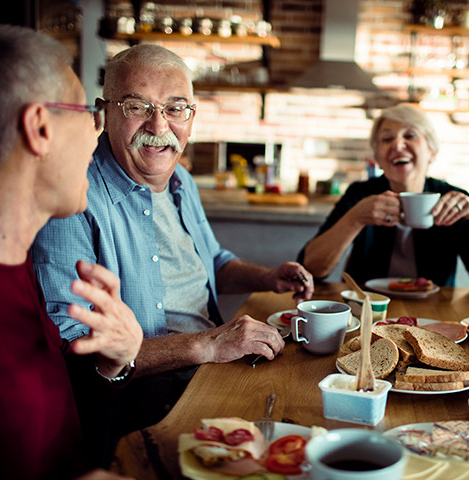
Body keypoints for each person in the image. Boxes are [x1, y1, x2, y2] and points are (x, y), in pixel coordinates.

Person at [30, 43, 314, 434]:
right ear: (104, 113)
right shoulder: (72, 199)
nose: (159, 127)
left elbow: (210, 261)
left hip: (214, 369)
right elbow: (78, 351)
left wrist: (265, 278)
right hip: (151, 406)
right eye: (137, 106)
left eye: (175, 108)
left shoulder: (180, 179)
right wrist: (207, 345)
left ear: (191, 115)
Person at [0, 24, 143, 480]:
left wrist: (113, 363)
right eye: (87, 112)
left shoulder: (18, 267)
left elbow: (58, 429)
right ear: (40, 127)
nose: (98, 131)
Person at [298, 103, 469, 286]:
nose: (397, 144)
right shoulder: (361, 194)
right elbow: (310, 270)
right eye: (386, 139)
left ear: (432, 152)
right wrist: (354, 219)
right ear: (378, 160)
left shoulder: (452, 199)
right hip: (368, 307)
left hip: (435, 310)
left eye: (410, 135)